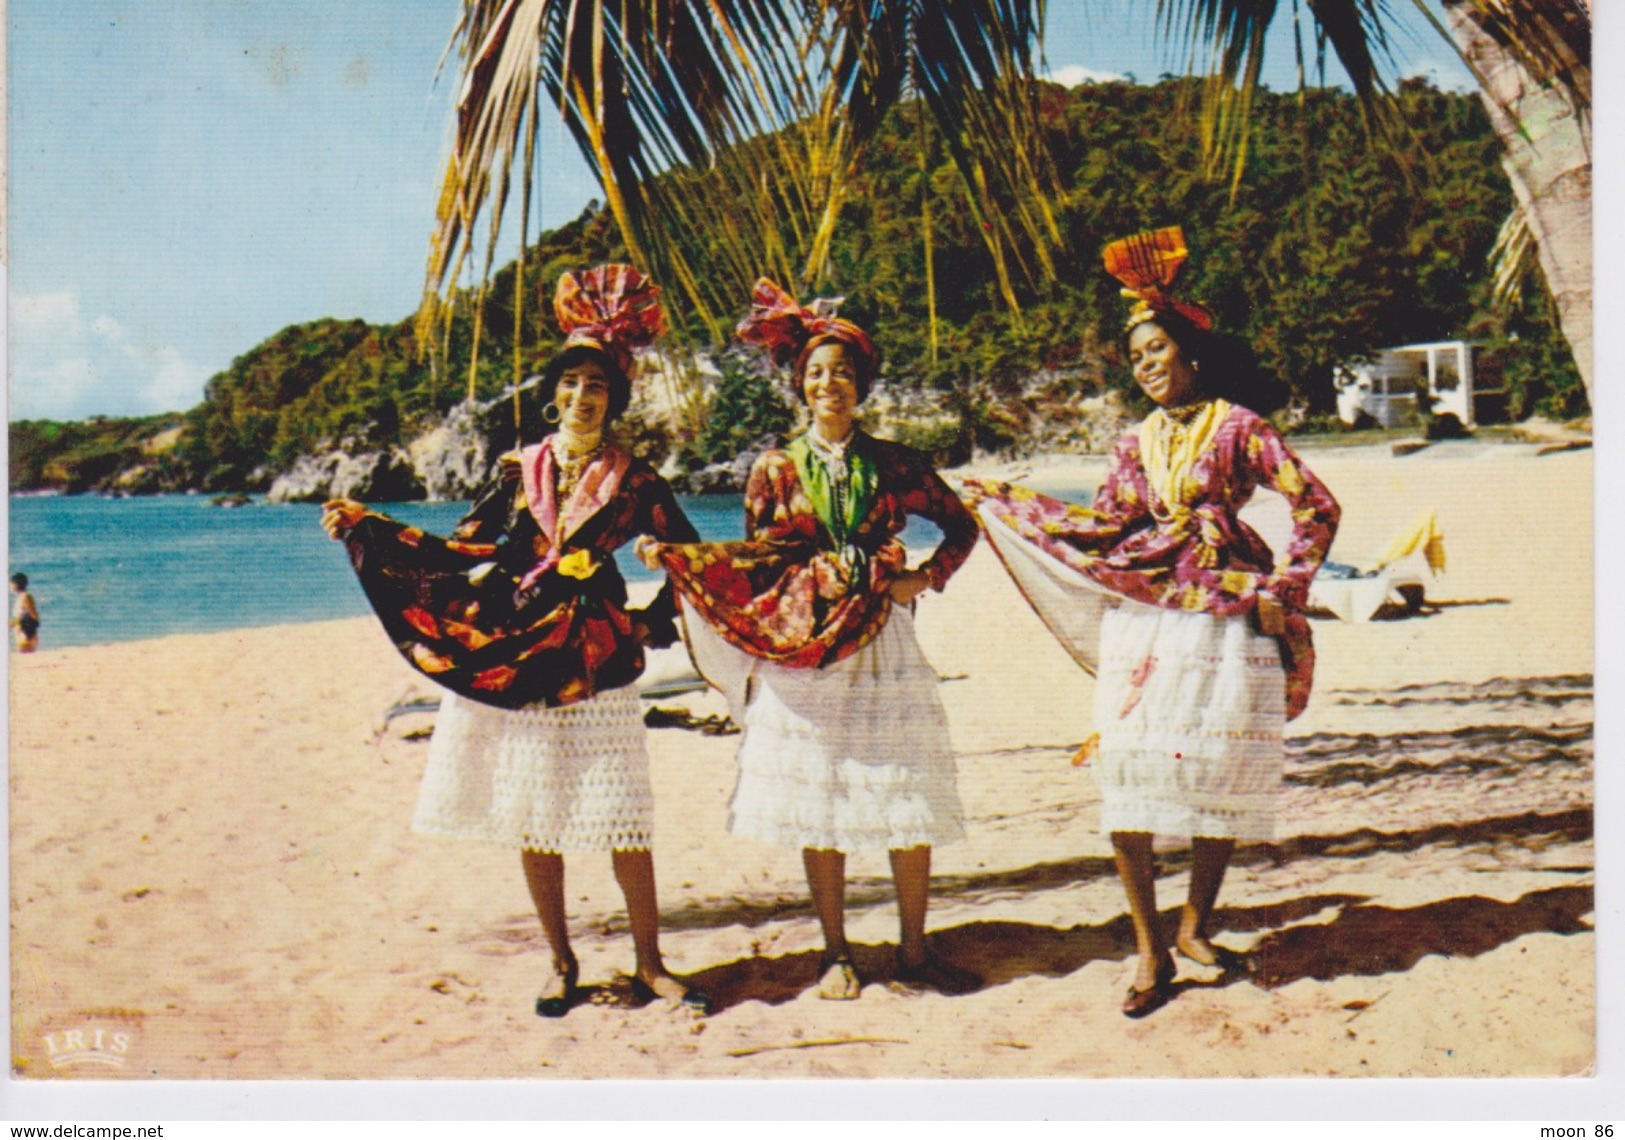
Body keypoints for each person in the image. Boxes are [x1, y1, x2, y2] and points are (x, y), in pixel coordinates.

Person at [966, 226, 1341, 1018]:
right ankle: (1149, 949)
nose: (1142, 364)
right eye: (1133, 354)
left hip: (1230, 616)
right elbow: (1108, 531)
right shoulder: (1130, 443)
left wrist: (1288, 583)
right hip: (1148, 621)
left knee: (1216, 773)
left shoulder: (1240, 427)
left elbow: (1315, 505)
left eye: (1154, 349)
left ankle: (1196, 927)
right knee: (1129, 776)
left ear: (1191, 355)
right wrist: (1008, 506)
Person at [322, 264, 709, 1018]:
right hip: (522, 657)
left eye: (596, 385)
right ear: (551, 394)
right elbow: (465, 550)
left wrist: (646, 623)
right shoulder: (516, 469)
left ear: (615, 398)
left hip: (599, 662)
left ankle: (650, 964)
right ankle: (560, 962)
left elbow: (687, 562)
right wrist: (371, 529)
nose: (581, 397)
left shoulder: (637, 481)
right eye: (569, 384)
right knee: (536, 815)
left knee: (623, 816)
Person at [641, 279, 981, 999]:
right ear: (801, 386)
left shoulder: (892, 461)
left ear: (861, 385)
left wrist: (922, 579)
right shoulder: (775, 466)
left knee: (904, 786)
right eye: (817, 373)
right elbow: (762, 558)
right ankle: (836, 953)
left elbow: (961, 524)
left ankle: (914, 949)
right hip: (805, 645)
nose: (830, 384)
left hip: (883, 640)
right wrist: (680, 559)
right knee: (819, 795)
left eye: (843, 373)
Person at [10, 573, 40, 653]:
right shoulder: (20, 598)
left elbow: (34, 615)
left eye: (11, 584)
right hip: (21, 630)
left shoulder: (25, 597)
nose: (10, 586)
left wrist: (31, 632)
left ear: (16, 584)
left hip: (26, 632)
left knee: (25, 654)